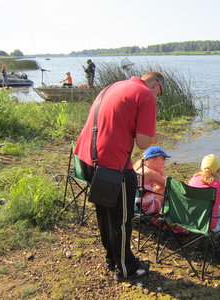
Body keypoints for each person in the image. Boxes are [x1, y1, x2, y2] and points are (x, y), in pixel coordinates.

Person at [74, 71, 164, 281]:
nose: (157, 98)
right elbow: (142, 143)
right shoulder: (146, 95)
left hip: (88, 158)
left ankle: (112, 259)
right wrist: (153, 138)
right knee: (121, 220)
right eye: (159, 94)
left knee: (104, 214)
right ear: (157, 85)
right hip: (112, 165)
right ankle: (126, 269)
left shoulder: (115, 86)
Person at [188, 154, 220, 256]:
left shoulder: (193, 180)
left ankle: (202, 242)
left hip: (190, 221)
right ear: (219, 170)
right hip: (209, 226)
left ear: (201, 168)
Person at [133, 146, 171, 215]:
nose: (164, 163)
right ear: (153, 159)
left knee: (160, 191)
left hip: (135, 206)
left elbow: (159, 187)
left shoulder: (139, 170)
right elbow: (169, 184)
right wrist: (162, 172)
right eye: (162, 159)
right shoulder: (149, 173)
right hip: (147, 208)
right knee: (170, 195)